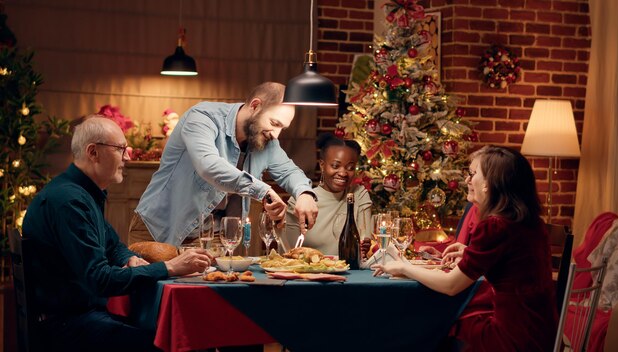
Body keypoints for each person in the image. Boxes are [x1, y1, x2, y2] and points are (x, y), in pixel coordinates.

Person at [22, 116, 211, 352]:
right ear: (93, 152)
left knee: (181, 334)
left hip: (77, 318)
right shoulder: (69, 202)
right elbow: (99, 280)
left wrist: (127, 258)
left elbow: (114, 245)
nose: (128, 156)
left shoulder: (80, 193)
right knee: (183, 343)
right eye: (120, 149)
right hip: (66, 328)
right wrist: (170, 267)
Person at [373, 145, 558, 351]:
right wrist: (469, 252)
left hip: (512, 338)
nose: (468, 181)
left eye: (473, 174)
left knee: (433, 323)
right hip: (540, 331)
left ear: (489, 183)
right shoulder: (528, 221)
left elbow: (450, 286)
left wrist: (404, 267)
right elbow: (511, 264)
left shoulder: (495, 226)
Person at [130, 82, 318, 246]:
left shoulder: (267, 140)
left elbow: (289, 171)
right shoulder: (203, 117)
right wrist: (263, 190)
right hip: (158, 230)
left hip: (211, 237)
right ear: (255, 106)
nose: (276, 135)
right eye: (274, 123)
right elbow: (209, 166)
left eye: (282, 128)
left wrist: (305, 194)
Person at [282, 133, 372, 255]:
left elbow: (364, 243)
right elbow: (290, 251)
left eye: (350, 167)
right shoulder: (302, 200)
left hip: (351, 271)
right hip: (311, 271)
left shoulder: (358, 195)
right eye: (335, 166)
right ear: (322, 165)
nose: (343, 173)